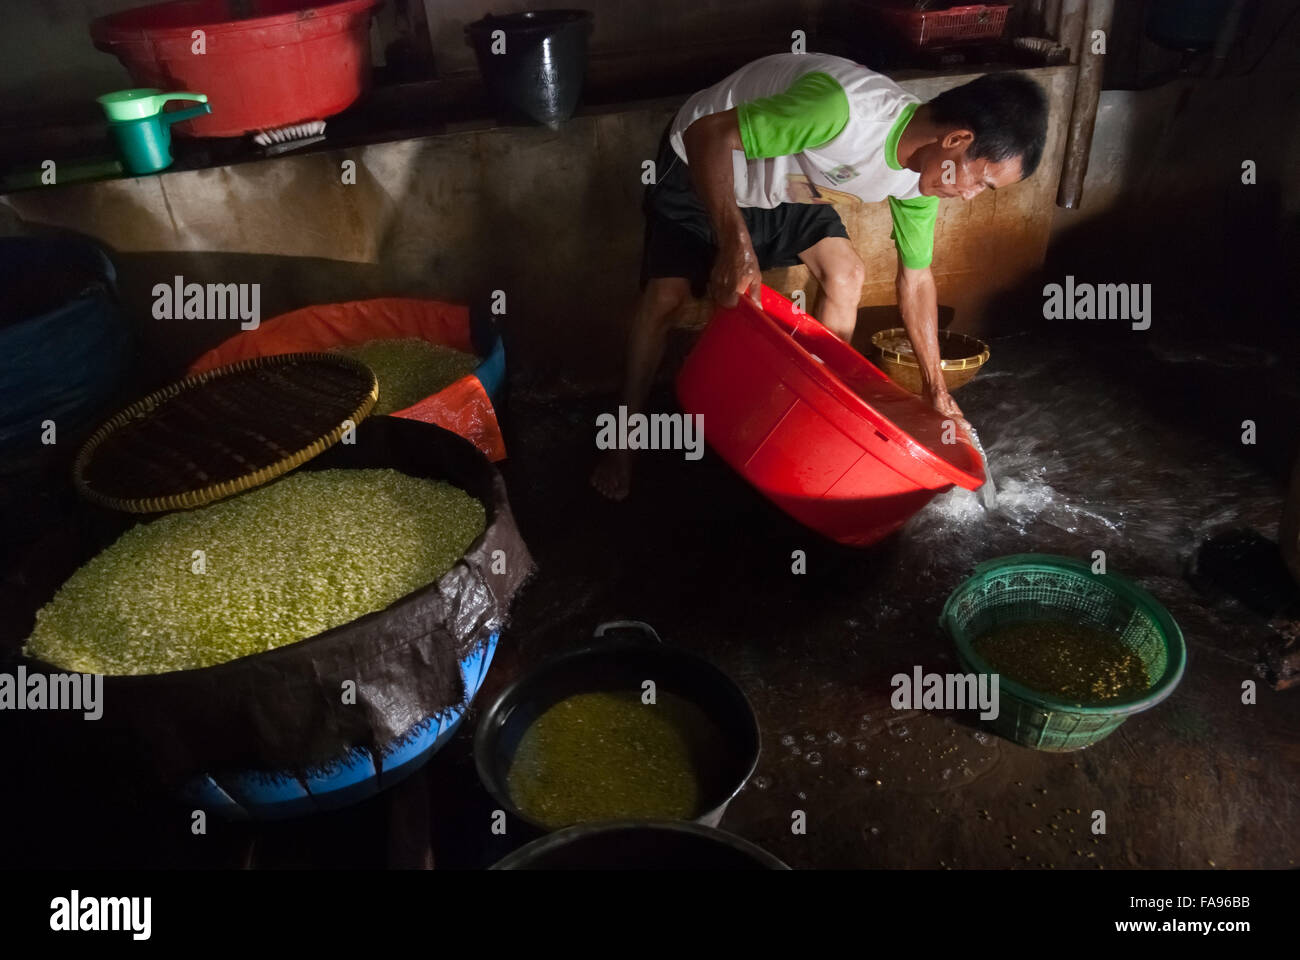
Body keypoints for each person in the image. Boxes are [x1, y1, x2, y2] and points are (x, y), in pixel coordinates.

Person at [592, 53, 1048, 500]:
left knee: (846, 273)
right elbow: (707, 134)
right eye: (980, 182)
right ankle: (624, 443)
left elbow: (917, 279)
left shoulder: (922, 179)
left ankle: (810, 419)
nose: (969, 196)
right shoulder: (844, 111)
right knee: (665, 300)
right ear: (956, 140)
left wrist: (936, 390)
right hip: (702, 161)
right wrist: (736, 244)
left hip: (783, 181)